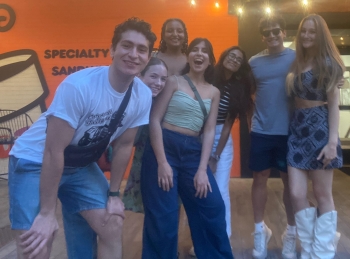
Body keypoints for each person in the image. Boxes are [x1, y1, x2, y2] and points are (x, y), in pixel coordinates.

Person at [7, 17, 156, 259]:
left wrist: (114, 195)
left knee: (113, 223)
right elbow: (53, 151)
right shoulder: (79, 87)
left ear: (148, 58)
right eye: (126, 46)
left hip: (78, 166)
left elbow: (124, 145)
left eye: (141, 49)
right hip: (34, 160)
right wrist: (46, 214)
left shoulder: (142, 95)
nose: (133, 54)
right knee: (35, 245)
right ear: (112, 50)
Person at [140, 38, 233, 259]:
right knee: (164, 217)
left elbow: (209, 131)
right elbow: (155, 120)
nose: (199, 54)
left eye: (205, 51)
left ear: (210, 60)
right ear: (188, 56)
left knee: (213, 207)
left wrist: (203, 169)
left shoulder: (214, 91)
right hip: (164, 148)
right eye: (195, 50)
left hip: (193, 152)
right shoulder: (173, 81)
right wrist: (162, 162)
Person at [286, 14, 344, 259]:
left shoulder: (329, 64)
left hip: (320, 131)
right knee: (296, 194)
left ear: (320, 35)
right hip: (298, 131)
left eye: (312, 32)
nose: (307, 36)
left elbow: (333, 106)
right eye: (304, 32)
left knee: (322, 195)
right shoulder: (297, 62)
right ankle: (308, 248)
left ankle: (322, 253)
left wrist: (332, 143)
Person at [189, 46, 255, 257]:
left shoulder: (238, 88)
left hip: (221, 140)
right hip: (197, 134)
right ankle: (202, 239)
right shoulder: (209, 76)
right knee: (199, 190)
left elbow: (227, 125)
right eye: (231, 56)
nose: (234, 60)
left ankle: (222, 237)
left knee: (220, 189)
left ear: (240, 66)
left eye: (239, 59)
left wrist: (216, 155)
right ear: (223, 57)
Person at [248, 15, 297, 259]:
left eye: (275, 30)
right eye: (266, 32)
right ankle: (259, 231)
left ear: (284, 32)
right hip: (261, 131)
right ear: (262, 37)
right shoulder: (254, 62)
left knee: (290, 183)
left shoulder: (297, 57)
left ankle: (291, 233)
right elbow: (246, 94)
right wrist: (250, 122)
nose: (271, 35)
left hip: (290, 132)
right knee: (260, 178)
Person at [123, 57, 168, 212]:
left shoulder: (158, 103)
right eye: (153, 76)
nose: (159, 83)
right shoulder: (128, 100)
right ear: (139, 76)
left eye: (163, 79)